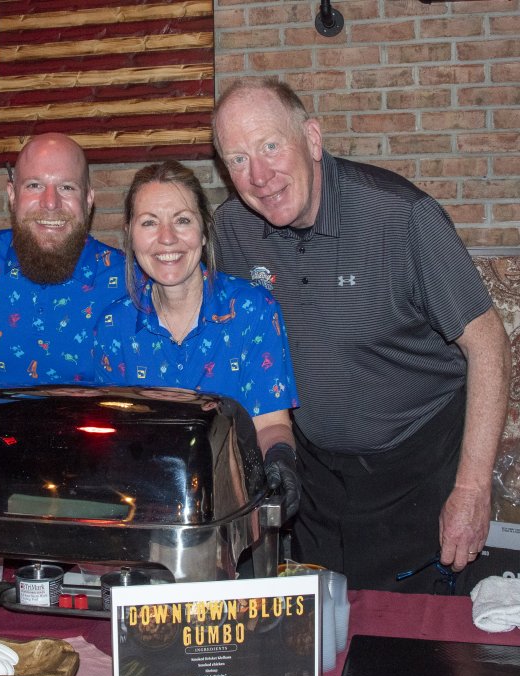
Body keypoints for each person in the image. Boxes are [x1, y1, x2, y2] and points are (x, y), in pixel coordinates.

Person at [212, 78, 511, 592]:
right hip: (315, 477)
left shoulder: (401, 216)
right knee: (326, 627)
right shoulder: (232, 231)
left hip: (420, 468)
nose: (259, 176)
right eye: (238, 159)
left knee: (412, 633)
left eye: (270, 146)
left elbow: (489, 344)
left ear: (312, 139)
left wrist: (471, 488)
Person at [94, 160, 300, 518]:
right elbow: (112, 436)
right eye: (149, 223)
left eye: (182, 220)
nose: (167, 238)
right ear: (130, 235)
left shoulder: (252, 311)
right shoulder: (114, 326)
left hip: (237, 512)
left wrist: (280, 461)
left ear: (204, 232)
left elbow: (271, 424)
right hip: (145, 514)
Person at [0, 133, 124, 385]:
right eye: (34, 185)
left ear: (88, 199)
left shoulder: (126, 277)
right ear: (12, 194)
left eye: (67, 187)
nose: (50, 203)